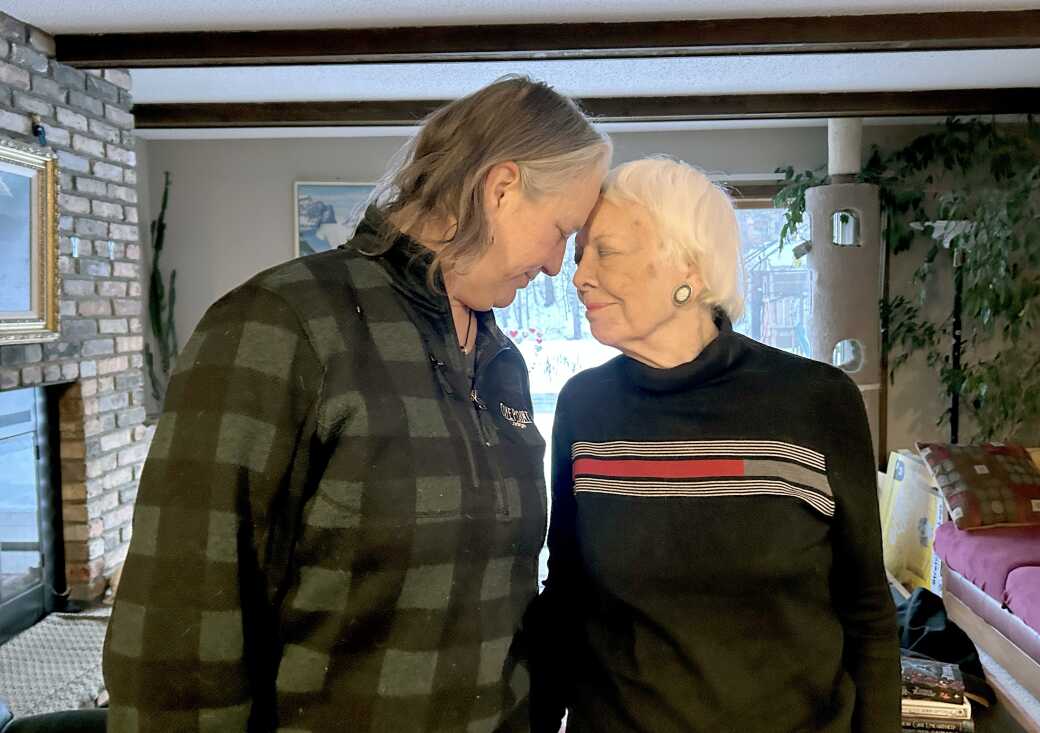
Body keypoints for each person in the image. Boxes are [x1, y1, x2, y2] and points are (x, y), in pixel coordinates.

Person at [103, 76, 610, 732]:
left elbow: (504, 604)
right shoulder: (280, 325)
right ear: (502, 187)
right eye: (559, 230)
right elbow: (178, 638)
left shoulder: (502, 361)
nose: (554, 265)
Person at [527, 158, 900, 732]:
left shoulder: (817, 401)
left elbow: (867, 610)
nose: (578, 276)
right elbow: (568, 594)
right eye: (579, 255)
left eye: (605, 251)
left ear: (690, 268)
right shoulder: (585, 406)